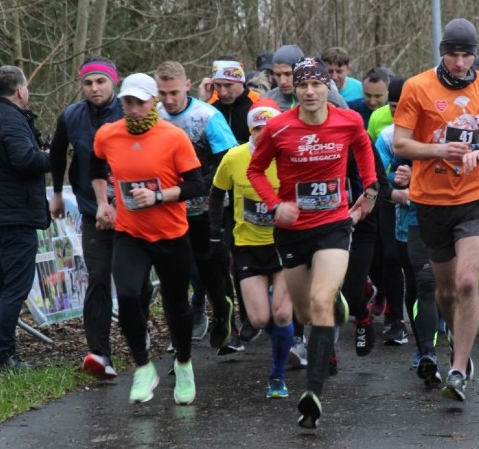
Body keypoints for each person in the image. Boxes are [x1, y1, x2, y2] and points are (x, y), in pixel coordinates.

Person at [247, 57, 378, 429]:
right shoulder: (278, 128)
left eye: (315, 84)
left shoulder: (348, 119)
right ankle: (332, 298)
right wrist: (275, 206)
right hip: (292, 230)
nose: (308, 91)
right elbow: (255, 170)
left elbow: (363, 148)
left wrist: (370, 188)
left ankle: (313, 394)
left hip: (334, 224)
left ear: (327, 88)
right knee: (305, 312)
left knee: (319, 302)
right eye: (302, 85)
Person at [392, 18, 479, 402]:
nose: (460, 63)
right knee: (445, 290)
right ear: (442, 53)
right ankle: (454, 339)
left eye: (466, 55)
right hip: (430, 200)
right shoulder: (417, 87)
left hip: (476, 198)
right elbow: (400, 144)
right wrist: (437, 150)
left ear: (475, 55)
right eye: (453, 54)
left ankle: (459, 367)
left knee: (466, 282)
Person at [91, 72, 205, 405]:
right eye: (128, 101)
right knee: (127, 296)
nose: (134, 108)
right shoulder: (108, 135)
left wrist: (159, 197)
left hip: (171, 234)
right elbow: (92, 167)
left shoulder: (173, 137)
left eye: (140, 102)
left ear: (153, 101)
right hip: (131, 234)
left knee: (176, 306)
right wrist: (103, 204)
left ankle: (183, 364)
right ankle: (143, 366)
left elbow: (198, 185)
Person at [50, 58, 152, 379]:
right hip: (93, 212)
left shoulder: (130, 111)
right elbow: (57, 152)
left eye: (101, 82)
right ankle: (99, 353)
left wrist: (122, 205)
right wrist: (55, 193)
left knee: (134, 283)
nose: (95, 89)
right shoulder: (71, 116)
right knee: (98, 276)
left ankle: (139, 330)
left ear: (113, 83)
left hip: (133, 211)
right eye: (88, 83)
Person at [154, 61, 241, 354]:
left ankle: (224, 317)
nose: (168, 99)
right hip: (171, 208)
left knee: (211, 269)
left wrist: (196, 186)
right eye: (162, 93)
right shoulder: (155, 116)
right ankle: (182, 329)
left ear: (187, 85)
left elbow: (227, 160)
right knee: (180, 271)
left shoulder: (207, 116)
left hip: (208, 207)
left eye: (174, 92)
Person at [209, 99, 295, 398]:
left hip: (284, 245)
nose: (263, 133)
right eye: (257, 127)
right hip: (246, 246)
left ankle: (277, 375)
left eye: (269, 127)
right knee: (259, 319)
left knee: (282, 314)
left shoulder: (289, 156)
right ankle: (289, 339)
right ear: (250, 130)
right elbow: (217, 193)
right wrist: (215, 232)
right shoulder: (234, 158)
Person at [0, 65, 51, 373]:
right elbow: (25, 160)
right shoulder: (10, 120)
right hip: (14, 215)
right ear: (20, 90)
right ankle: (5, 358)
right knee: (14, 290)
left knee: (2, 286)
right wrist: (52, 156)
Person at [265, 45, 347, 111]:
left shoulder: (327, 93)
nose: (282, 81)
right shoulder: (268, 100)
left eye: (288, 74)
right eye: (277, 75)